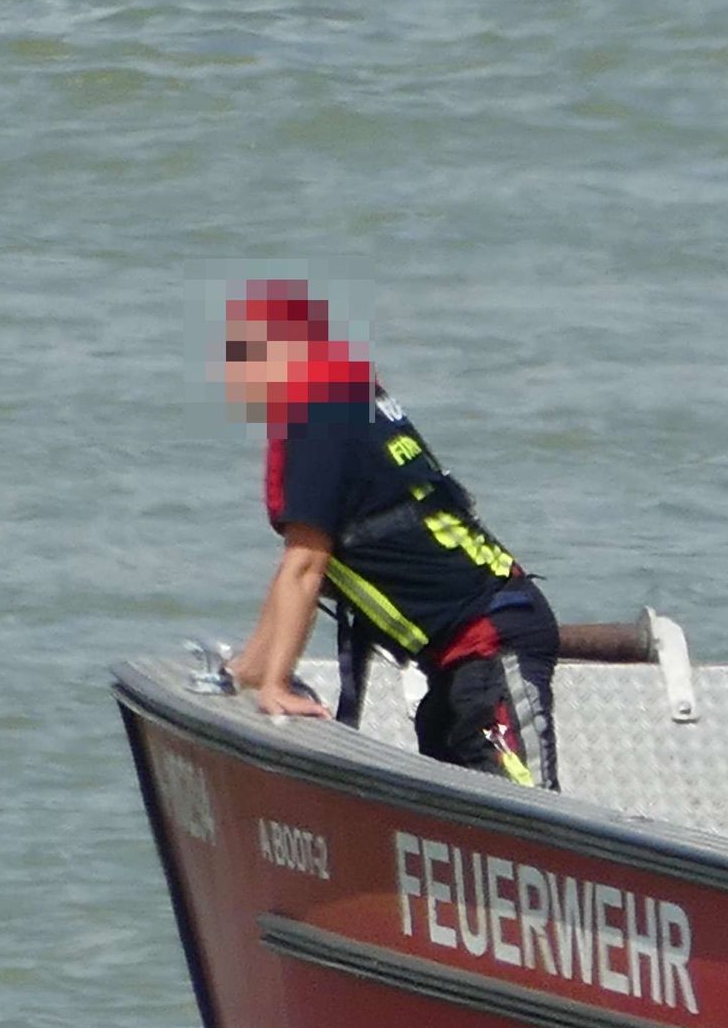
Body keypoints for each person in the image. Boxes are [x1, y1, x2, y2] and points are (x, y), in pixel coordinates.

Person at [221, 281, 561, 790]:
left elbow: (305, 568)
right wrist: (248, 669)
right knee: (458, 822)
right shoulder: (346, 405)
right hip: (454, 660)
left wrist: (274, 685)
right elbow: (301, 561)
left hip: (492, 639)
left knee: (530, 819)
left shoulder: (321, 415)